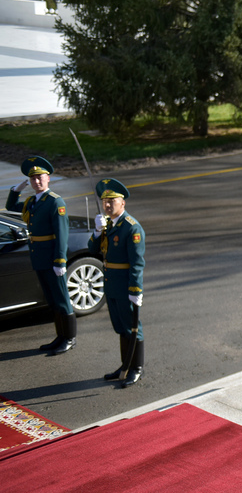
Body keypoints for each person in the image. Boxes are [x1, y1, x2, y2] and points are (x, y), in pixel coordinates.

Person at [6, 156, 76, 355]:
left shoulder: (55, 201)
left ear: (48, 178)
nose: (36, 181)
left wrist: (60, 260)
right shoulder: (32, 201)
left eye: (40, 177)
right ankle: (60, 336)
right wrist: (16, 190)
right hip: (39, 258)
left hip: (52, 259)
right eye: (32, 179)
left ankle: (69, 338)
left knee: (62, 299)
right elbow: (11, 207)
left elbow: (62, 233)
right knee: (52, 300)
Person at [89, 178, 146, 387]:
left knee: (132, 327)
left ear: (123, 202)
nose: (107, 205)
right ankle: (125, 365)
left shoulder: (131, 227)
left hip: (125, 285)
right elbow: (94, 250)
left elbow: (137, 263)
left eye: (112, 201)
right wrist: (97, 232)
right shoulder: (108, 225)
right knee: (121, 327)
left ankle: (136, 368)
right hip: (111, 283)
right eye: (105, 201)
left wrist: (135, 289)